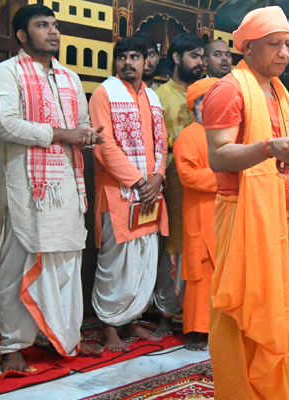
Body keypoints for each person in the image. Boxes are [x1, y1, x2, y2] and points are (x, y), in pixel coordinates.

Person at [201, 6, 289, 399]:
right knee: (246, 310)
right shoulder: (229, 89)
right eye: (273, 44)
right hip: (242, 214)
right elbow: (219, 155)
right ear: (246, 47)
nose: (284, 53)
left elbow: (287, 161)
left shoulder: (280, 93)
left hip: (279, 215)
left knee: (281, 311)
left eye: (287, 44)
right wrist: (266, 148)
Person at [0, 4, 105, 372]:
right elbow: (6, 126)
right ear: (22, 35)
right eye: (42, 25)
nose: (53, 31)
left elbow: (81, 123)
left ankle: (66, 339)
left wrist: (86, 136)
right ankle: (12, 347)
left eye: (54, 25)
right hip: (27, 188)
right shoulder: (4, 74)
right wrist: (60, 134)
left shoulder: (69, 78)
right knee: (18, 265)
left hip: (67, 185)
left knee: (67, 261)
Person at [89, 36, 168, 352]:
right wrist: (138, 182)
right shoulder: (104, 93)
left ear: (146, 61)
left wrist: (158, 176)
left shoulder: (153, 97)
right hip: (119, 193)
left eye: (134, 56)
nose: (127, 62)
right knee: (116, 264)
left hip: (150, 194)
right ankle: (109, 326)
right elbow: (104, 145)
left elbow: (162, 143)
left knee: (144, 260)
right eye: (122, 57)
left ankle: (133, 320)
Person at [152, 33, 204, 335]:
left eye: (201, 57)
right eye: (193, 56)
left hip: (206, 177)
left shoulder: (207, 92)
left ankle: (198, 312)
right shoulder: (161, 95)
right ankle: (167, 312)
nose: (199, 62)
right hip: (173, 177)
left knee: (202, 242)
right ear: (176, 58)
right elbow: (158, 141)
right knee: (176, 242)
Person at [173, 77, 218, 351]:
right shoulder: (189, 135)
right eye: (210, 102)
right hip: (200, 215)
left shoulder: (226, 134)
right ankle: (194, 332)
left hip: (224, 214)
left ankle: (217, 329)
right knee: (200, 276)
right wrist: (225, 176)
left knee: (222, 274)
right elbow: (189, 176)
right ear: (198, 106)